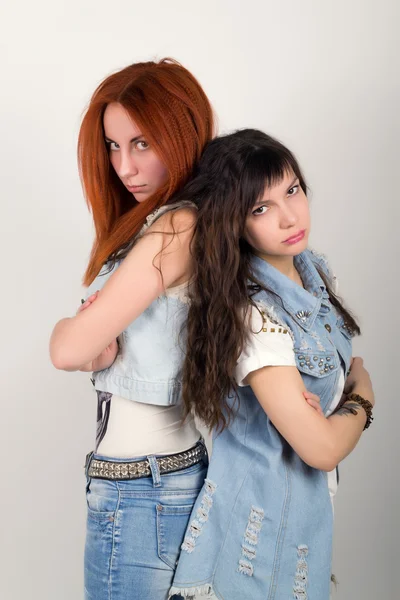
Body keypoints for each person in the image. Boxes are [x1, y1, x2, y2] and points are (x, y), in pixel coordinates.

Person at [168, 129, 375, 599]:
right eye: (260, 209)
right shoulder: (251, 313)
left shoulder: (314, 272)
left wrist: (326, 415)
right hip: (249, 562)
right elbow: (321, 448)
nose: (288, 217)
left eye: (292, 191)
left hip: (298, 544)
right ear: (233, 222)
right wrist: (363, 393)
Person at [49, 58, 215, 600]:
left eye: (142, 143)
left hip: (141, 491)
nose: (124, 165)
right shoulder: (171, 223)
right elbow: (103, 352)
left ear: (182, 131)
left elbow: (67, 348)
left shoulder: (176, 225)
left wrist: (71, 329)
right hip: (157, 480)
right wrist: (96, 346)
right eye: (114, 146)